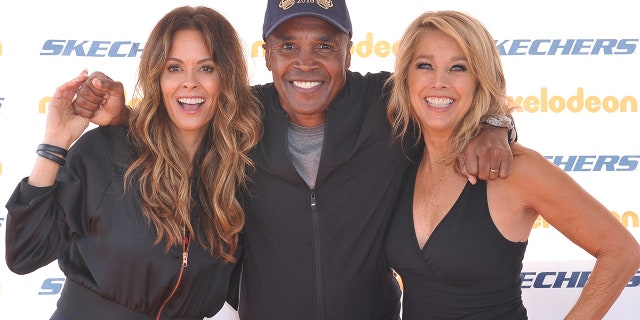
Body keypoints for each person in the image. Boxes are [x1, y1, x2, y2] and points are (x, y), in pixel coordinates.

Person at [70, 1, 516, 319]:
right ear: (266, 53)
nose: (305, 63)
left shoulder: (389, 106)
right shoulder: (240, 115)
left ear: (349, 50)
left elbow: (451, 103)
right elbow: (176, 132)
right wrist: (125, 118)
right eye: (288, 46)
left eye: (324, 46)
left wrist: (495, 124)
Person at [4, 6, 262, 320]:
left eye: (206, 68)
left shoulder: (237, 172)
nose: (190, 83)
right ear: (157, 76)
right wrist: (55, 142)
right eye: (174, 68)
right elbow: (24, 254)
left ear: (226, 78)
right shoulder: (107, 152)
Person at [383, 10, 640, 319]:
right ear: (405, 76)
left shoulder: (515, 169)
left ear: (480, 79)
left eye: (458, 68)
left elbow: (621, 252)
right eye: (425, 66)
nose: (439, 82)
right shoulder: (399, 159)